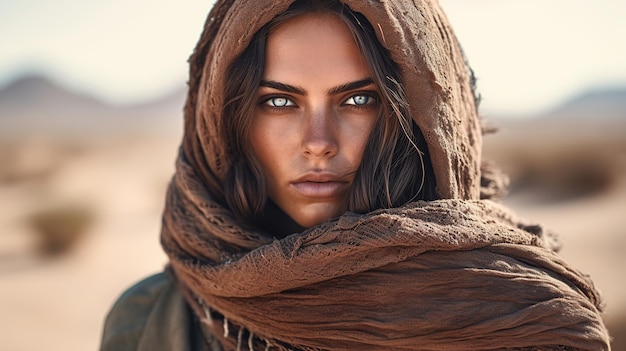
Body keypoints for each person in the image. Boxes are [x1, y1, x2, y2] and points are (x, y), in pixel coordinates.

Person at [100, 1, 611, 350]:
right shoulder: (152, 320)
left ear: (425, 117)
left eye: (359, 100)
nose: (318, 140)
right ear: (224, 120)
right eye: (279, 102)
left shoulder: (516, 315)